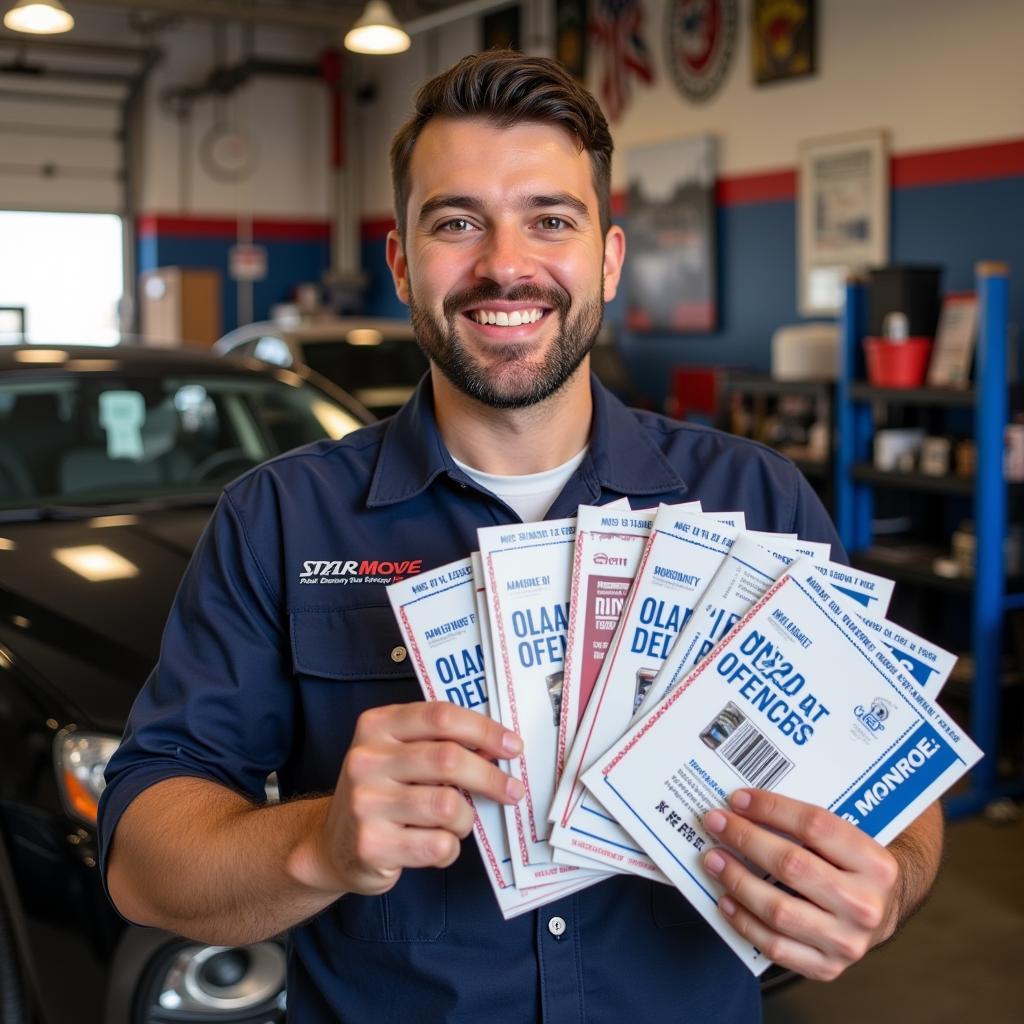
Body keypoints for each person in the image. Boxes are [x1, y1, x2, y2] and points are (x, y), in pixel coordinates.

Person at [99, 51, 942, 1023]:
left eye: (550, 219)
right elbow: (143, 861)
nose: (505, 263)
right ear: (402, 261)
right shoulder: (278, 519)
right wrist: (319, 843)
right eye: (457, 221)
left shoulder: (756, 500)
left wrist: (883, 887)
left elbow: (898, 791)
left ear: (609, 259)